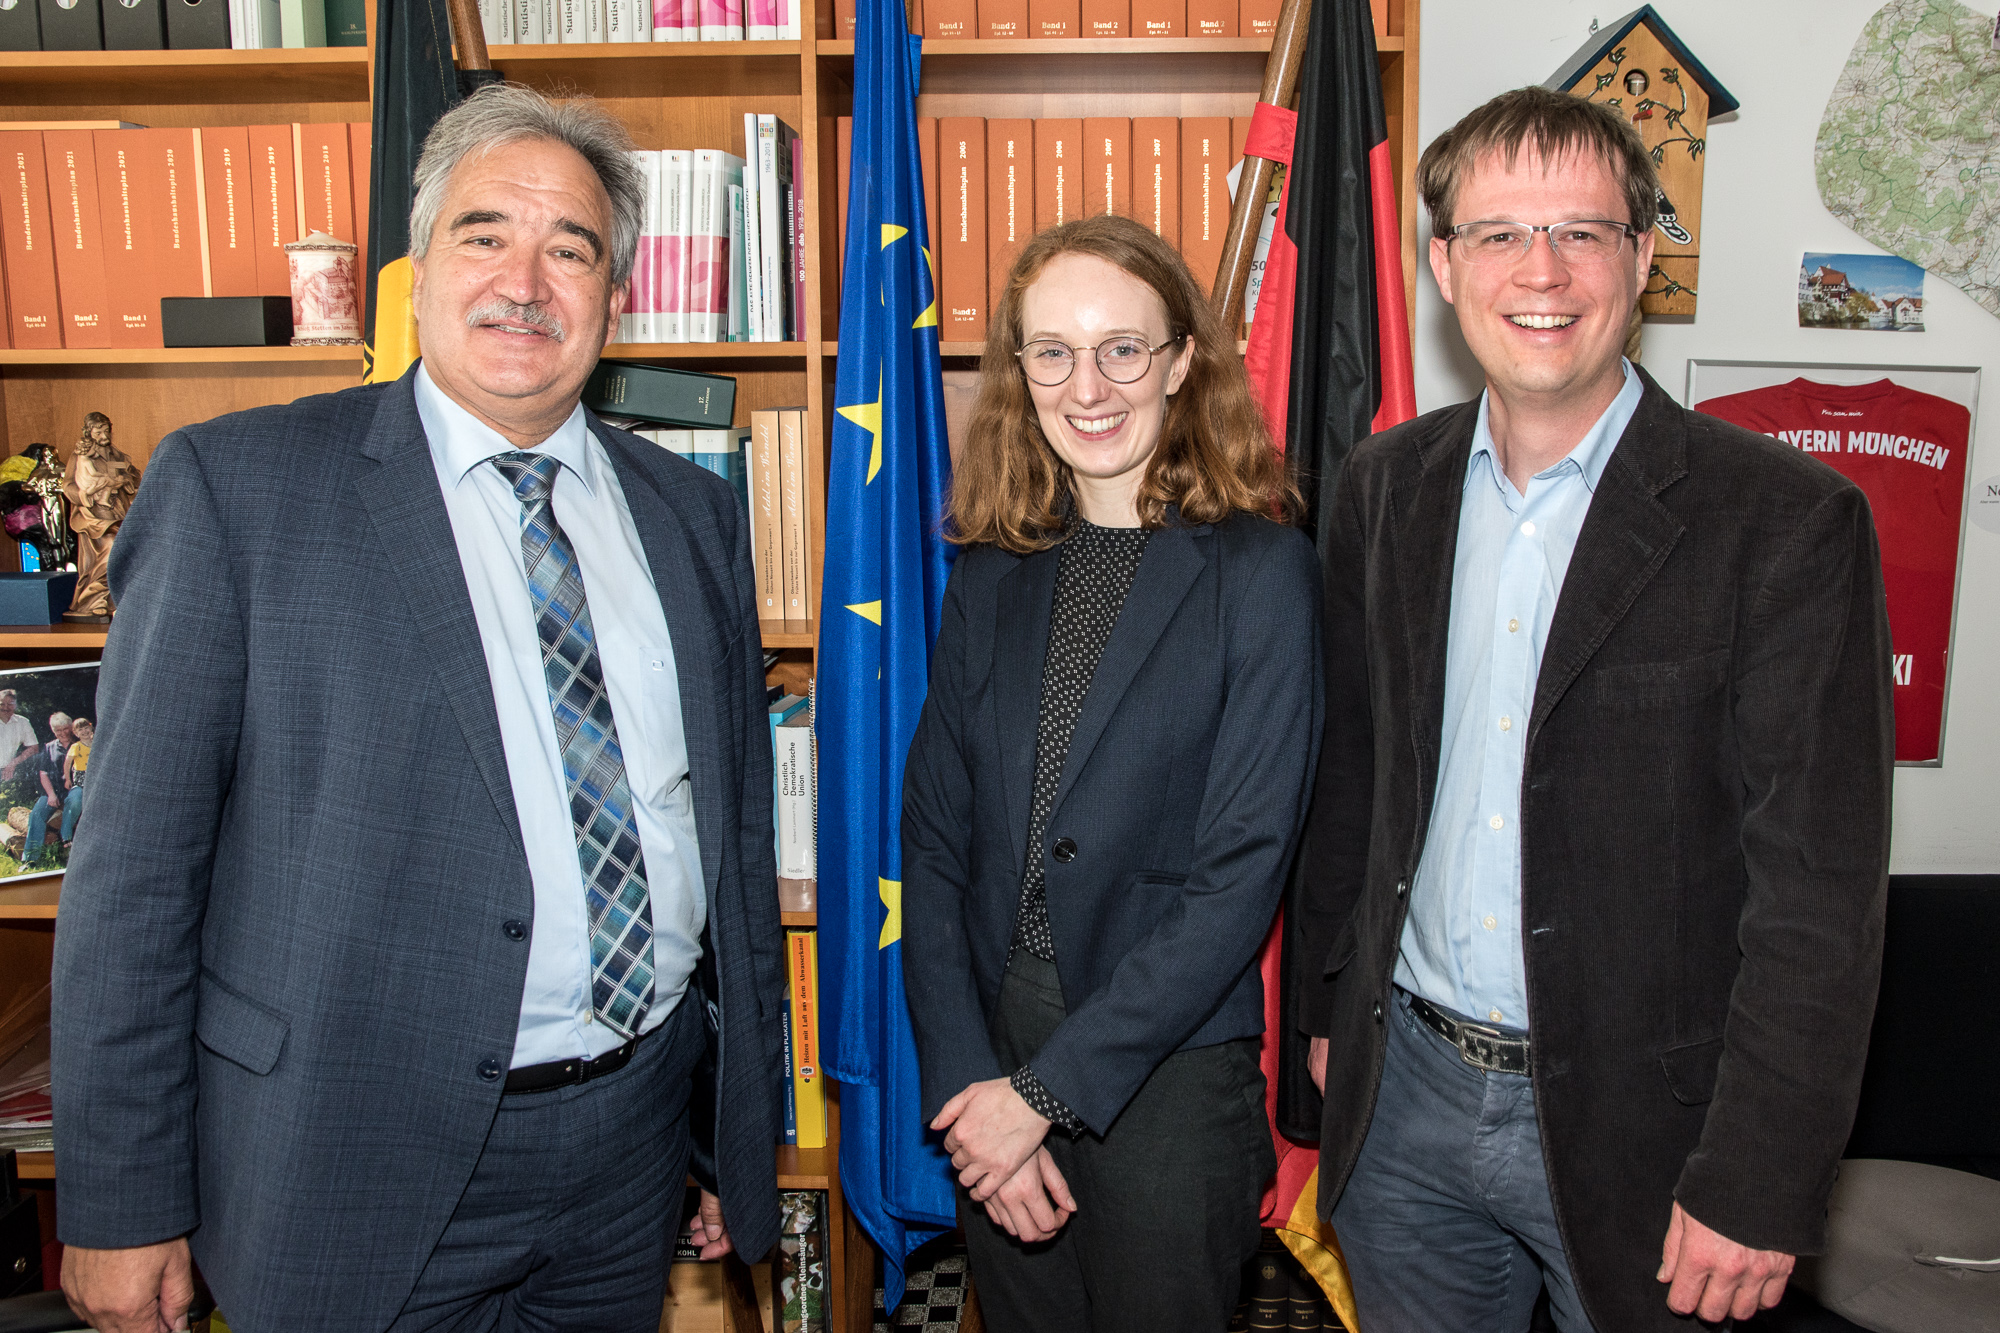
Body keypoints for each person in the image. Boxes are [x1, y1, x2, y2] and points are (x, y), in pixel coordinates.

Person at [52, 84, 785, 1333]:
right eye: (484, 233)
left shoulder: (692, 514)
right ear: (417, 267)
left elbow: (722, 845)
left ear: (616, 299)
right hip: (347, 1154)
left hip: (626, 1148)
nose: (524, 279)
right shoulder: (240, 491)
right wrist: (120, 1202)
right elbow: (131, 880)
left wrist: (728, 1131)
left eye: (571, 249)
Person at [1298, 86, 1893, 1333]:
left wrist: (1758, 1176)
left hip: (1653, 1144)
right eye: (1500, 232)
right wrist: (1327, 1018)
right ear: (1442, 261)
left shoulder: (1784, 524)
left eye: (1582, 231)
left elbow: (1816, 896)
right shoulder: (1381, 486)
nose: (1542, 270)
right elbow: (1353, 776)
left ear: (1639, 258)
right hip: (1400, 1099)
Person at [902, 213, 1323, 1332]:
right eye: (1051, 351)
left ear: (1182, 360)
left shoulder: (1262, 572)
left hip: (1167, 1066)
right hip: (993, 1043)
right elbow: (933, 841)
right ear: (1019, 370)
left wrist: (1044, 1096)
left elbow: (1238, 879)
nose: (1085, 385)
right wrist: (968, 1089)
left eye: (1120, 348)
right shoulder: (989, 569)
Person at [22, 711, 72, 866]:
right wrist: (51, 795)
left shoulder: (81, 744)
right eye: (58, 730)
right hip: (53, 790)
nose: (62, 733)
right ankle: (30, 859)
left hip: (73, 790)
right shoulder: (49, 747)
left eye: (65, 729)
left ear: (71, 727)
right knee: (36, 814)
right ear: (53, 731)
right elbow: (43, 774)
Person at [60, 715, 90, 846]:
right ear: (76, 733)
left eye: (85, 728)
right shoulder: (76, 747)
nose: (84, 732)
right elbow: (67, 764)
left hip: (96, 781)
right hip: (80, 782)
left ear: (91, 727)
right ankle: (66, 837)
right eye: (80, 730)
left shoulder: (98, 743)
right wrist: (67, 779)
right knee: (74, 802)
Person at [0, 689, 37, 782]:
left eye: (10, 704)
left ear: (15, 705)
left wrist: (14, 763)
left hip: (11, 771)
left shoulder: (23, 722)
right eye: (2, 704)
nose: (5, 707)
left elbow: (34, 748)